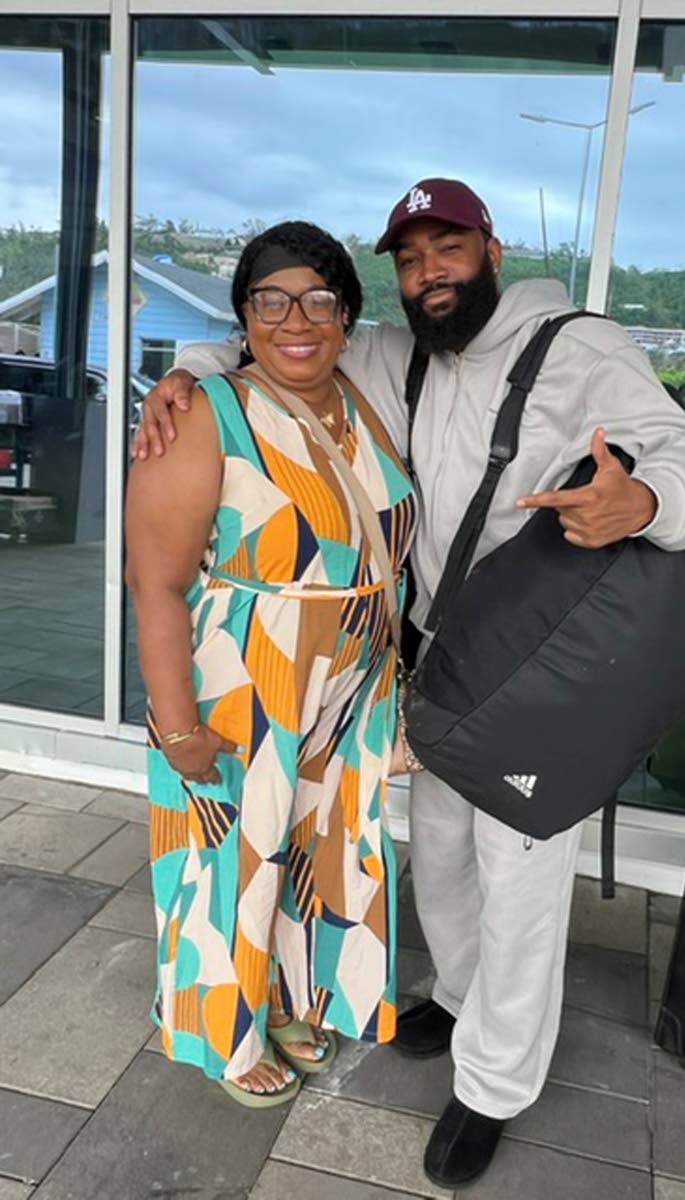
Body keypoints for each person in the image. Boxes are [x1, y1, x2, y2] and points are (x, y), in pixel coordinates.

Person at [134, 178, 685, 1186]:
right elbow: (274, 342)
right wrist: (181, 376)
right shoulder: (400, 351)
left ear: (491, 251)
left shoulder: (580, 349)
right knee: (441, 850)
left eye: (448, 249)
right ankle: (457, 997)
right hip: (437, 664)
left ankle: (495, 1083)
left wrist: (646, 501)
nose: (429, 274)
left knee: (521, 877)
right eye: (410, 261)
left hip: (545, 675)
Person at [125, 221, 416, 1107]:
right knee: (233, 859)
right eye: (271, 301)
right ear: (244, 317)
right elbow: (155, 583)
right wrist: (177, 726)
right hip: (244, 682)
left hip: (346, 694)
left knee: (318, 850)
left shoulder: (360, 402)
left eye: (319, 300)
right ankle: (226, 1034)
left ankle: (292, 996)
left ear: (347, 315)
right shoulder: (207, 412)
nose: (296, 320)